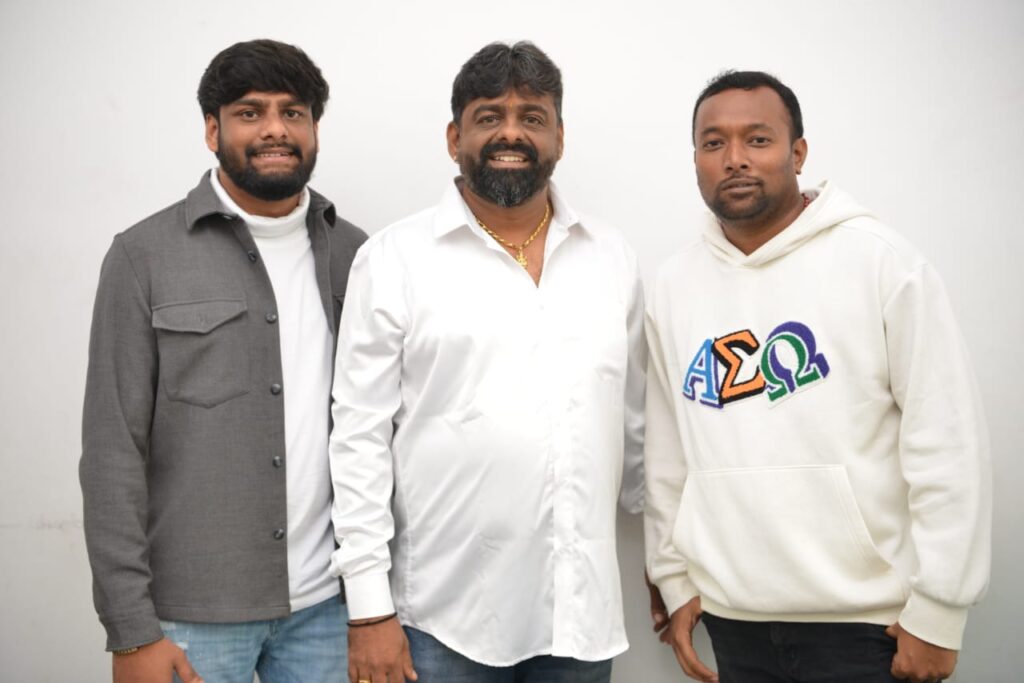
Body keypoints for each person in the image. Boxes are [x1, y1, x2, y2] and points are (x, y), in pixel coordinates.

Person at [643, 70, 991, 683]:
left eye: (757, 139)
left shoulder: (881, 263)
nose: (734, 158)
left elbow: (947, 443)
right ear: (695, 158)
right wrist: (674, 580)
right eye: (713, 143)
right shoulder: (672, 287)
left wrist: (940, 610)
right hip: (732, 619)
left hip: (867, 627)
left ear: (797, 153)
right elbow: (667, 454)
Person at [327, 41, 645, 683]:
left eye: (532, 117)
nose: (511, 133)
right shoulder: (394, 260)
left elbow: (636, 428)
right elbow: (358, 439)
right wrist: (368, 608)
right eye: (489, 116)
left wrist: (670, 564)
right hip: (441, 624)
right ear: (455, 138)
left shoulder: (610, 256)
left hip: (581, 619)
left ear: (559, 137)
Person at [80, 39, 366, 683]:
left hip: (330, 608)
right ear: (212, 130)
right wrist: (131, 631)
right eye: (249, 112)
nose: (275, 129)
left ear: (315, 130)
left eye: (293, 112)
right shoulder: (143, 257)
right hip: (190, 618)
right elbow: (111, 452)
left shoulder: (357, 256)